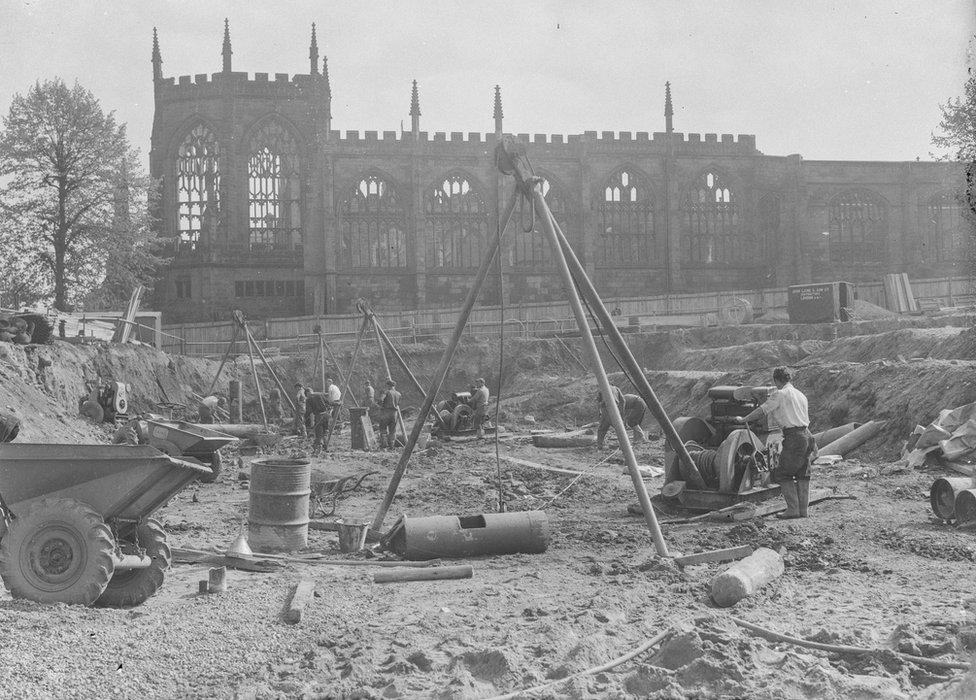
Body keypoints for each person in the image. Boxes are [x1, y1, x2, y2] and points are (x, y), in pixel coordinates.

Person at [742, 366, 816, 519]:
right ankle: (803, 511)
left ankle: (793, 510)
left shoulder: (779, 394)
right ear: (789, 379)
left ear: (776, 380)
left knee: (782, 473)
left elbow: (762, 410)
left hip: (794, 437)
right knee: (803, 474)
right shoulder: (801, 395)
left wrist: (744, 419)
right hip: (808, 435)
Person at [376, 379, 401, 449]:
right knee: (392, 430)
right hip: (394, 414)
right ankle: (392, 445)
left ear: (388, 385)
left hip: (386, 412)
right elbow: (398, 404)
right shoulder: (399, 394)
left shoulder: (386, 392)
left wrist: (380, 406)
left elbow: (381, 400)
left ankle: (384, 444)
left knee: (383, 428)